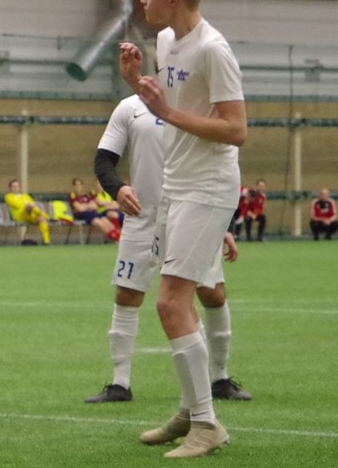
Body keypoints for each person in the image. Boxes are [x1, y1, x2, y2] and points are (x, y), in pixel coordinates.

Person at [119, 0, 247, 459]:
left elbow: (236, 129)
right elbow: (170, 107)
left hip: (207, 186)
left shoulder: (213, 50)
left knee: (170, 303)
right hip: (177, 185)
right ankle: (193, 410)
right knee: (181, 303)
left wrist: (165, 111)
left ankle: (207, 425)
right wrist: (137, 85)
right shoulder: (166, 40)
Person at [86, 93, 252, 406]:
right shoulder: (130, 107)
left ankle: (220, 377)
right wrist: (117, 188)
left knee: (212, 293)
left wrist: (225, 226)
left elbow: (222, 168)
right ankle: (120, 383)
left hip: (191, 215)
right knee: (127, 295)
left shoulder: (198, 104)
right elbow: (103, 160)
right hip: (142, 218)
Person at [68, 177, 120, 242]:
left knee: (106, 221)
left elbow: (95, 206)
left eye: (80, 185)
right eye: (76, 185)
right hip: (82, 215)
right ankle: (116, 239)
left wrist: (84, 206)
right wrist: (88, 206)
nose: (78, 187)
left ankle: (117, 236)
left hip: (93, 212)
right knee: (99, 222)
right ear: (73, 186)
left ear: (82, 186)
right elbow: (80, 209)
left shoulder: (87, 195)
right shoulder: (73, 196)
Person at [3, 179, 50, 246]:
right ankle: (45, 215)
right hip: (19, 216)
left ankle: (46, 241)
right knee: (29, 206)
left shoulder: (25, 196)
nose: (16, 188)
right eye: (14, 186)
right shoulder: (8, 197)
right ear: (10, 188)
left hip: (30, 214)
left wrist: (27, 204)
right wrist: (26, 204)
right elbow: (17, 205)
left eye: (17, 186)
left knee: (41, 218)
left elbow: (33, 204)